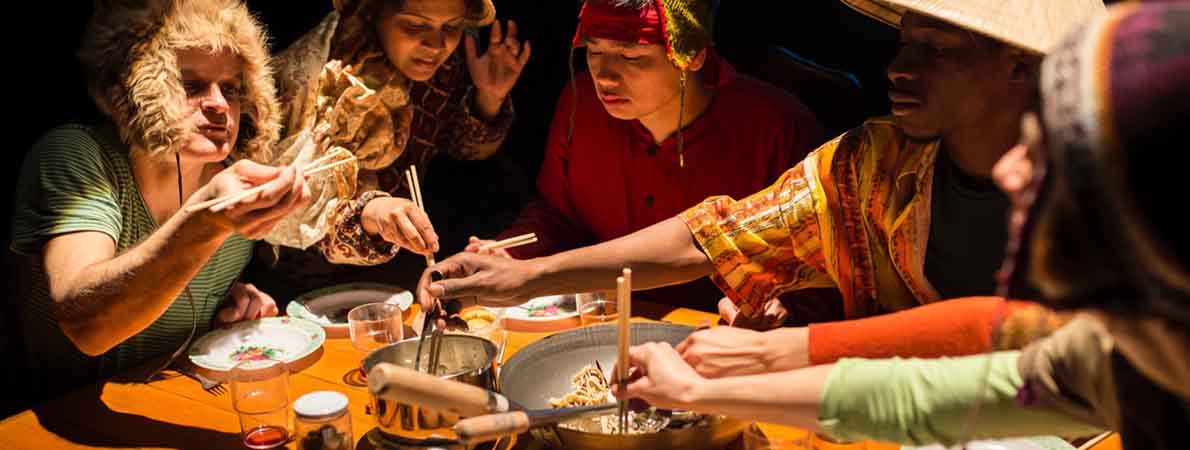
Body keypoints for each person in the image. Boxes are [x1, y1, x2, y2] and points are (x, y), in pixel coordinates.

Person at [616, 4, 1190, 449]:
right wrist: (704, 390)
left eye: (1056, 155)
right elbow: (919, 395)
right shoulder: (1120, 345)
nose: (1014, 173)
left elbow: (996, 334)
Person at [416, 0, 1102, 347]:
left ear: (1021, 64)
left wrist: (794, 338)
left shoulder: (1115, 190)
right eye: (903, 43)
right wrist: (524, 274)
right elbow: (720, 233)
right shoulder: (873, 160)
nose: (899, 67)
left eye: (937, 48)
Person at [9, 0, 310, 400]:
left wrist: (236, 299)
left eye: (232, 89)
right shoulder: (75, 157)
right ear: (135, 90)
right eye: (191, 86)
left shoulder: (234, 181)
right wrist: (205, 223)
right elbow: (87, 326)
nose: (220, 104)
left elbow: (184, 284)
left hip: (174, 397)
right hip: (58, 414)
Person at [465, 0, 824, 313]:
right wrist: (509, 253)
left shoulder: (777, 128)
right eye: (594, 52)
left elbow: (820, 273)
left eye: (631, 56)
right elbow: (558, 216)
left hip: (720, 343)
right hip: (607, 329)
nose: (604, 76)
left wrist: (781, 306)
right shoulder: (581, 103)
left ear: (693, 54)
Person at [245, 0, 530, 300]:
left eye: (451, 27)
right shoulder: (330, 77)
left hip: (397, 266)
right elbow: (307, 212)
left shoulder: (443, 70)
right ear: (374, 13)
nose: (435, 44)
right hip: (298, 280)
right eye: (415, 25)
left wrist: (488, 97)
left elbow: (465, 150)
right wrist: (373, 212)